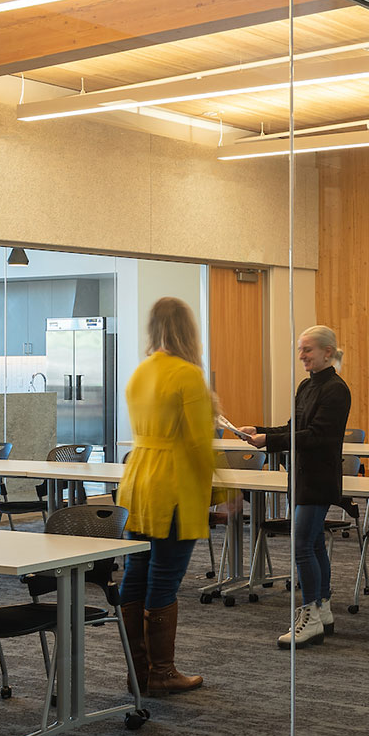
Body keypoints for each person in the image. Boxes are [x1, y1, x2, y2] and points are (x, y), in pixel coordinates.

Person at [117, 296, 218, 695]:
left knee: (135, 575)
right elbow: (198, 445)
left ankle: (137, 672)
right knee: (163, 579)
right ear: (188, 330)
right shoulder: (188, 375)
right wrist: (225, 491)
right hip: (173, 484)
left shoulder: (141, 372)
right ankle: (161, 672)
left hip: (138, 481)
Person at [242, 325, 352, 648]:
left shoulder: (336, 390)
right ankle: (323, 610)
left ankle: (311, 616)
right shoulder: (306, 387)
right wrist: (260, 431)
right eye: (300, 349)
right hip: (301, 477)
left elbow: (317, 436)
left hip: (318, 479)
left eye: (307, 350)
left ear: (327, 352)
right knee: (313, 544)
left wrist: (271, 440)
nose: (301, 356)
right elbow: (294, 429)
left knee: (302, 545)